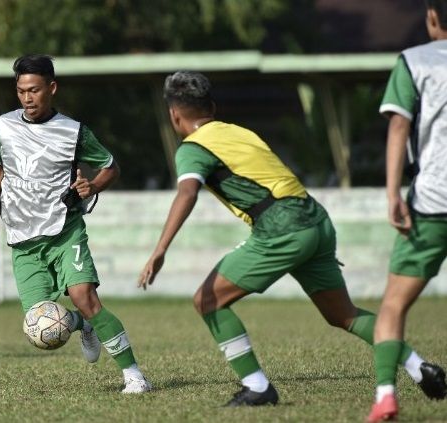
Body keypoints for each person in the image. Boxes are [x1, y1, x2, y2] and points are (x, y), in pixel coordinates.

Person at [137, 71, 443, 406]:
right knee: (344, 315)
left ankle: (257, 387)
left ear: (173, 114)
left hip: (282, 227)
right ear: (211, 107)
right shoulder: (239, 132)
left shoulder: (192, 148)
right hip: (315, 219)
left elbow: (187, 193)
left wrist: (160, 249)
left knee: (207, 300)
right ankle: (420, 367)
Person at [0, 54, 151, 393]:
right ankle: (81, 323)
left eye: (35, 90)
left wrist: (93, 186)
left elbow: (111, 166)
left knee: (84, 296)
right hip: (22, 238)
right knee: (38, 324)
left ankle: (134, 375)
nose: (27, 98)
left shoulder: (74, 132)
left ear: (52, 88)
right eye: (21, 91)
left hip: (64, 229)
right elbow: (0, 170)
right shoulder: (4, 126)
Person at [368, 1, 447, 421]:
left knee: (393, 307)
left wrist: (392, 193)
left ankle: (386, 396)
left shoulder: (414, 61)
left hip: (433, 204)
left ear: (432, 17)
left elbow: (398, 125)